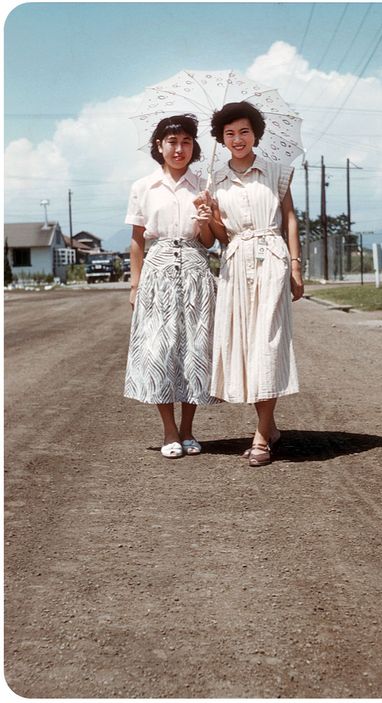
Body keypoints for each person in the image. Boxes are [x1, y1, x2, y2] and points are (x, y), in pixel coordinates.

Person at [196, 101, 304, 467]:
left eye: (244, 131)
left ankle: (261, 437)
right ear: (221, 139)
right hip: (235, 263)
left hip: (272, 259)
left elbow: (289, 218)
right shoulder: (215, 180)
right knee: (246, 347)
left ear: (256, 133)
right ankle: (269, 424)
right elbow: (219, 238)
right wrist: (208, 217)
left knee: (267, 343)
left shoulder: (276, 172)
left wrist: (295, 265)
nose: (237, 139)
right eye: (229, 134)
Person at [124, 114, 219, 459]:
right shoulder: (142, 187)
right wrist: (135, 285)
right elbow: (137, 240)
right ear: (159, 146)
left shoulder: (204, 186)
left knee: (194, 349)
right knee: (160, 349)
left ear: (194, 147)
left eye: (186, 142)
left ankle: (190, 430)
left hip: (195, 267)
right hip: (158, 270)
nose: (179, 149)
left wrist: (206, 219)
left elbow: (208, 243)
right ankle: (169, 431)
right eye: (172, 142)